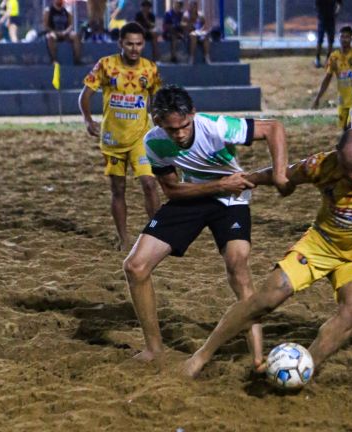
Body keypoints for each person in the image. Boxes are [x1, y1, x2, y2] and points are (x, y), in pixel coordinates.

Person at [181, 127, 352, 379]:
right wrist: (249, 179)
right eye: (346, 167)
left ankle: (305, 367)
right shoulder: (321, 164)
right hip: (319, 245)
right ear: (338, 153)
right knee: (266, 300)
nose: (351, 176)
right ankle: (201, 356)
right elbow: (283, 174)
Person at [123, 85, 289, 365]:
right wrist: (219, 184)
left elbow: (273, 128)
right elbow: (173, 191)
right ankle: (154, 350)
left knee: (238, 264)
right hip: (194, 195)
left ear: (194, 115)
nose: (179, 134)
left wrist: (281, 176)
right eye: (171, 129)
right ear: (158, 122)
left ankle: (258, 358)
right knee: (135, 266)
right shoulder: (153, 143)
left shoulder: (216, 126)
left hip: (231, 199)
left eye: (184, 126)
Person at [78, 22, 162, 251]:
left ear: (144, 44)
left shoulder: (150, 69)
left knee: (149, 184)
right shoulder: (105, 65)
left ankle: (156, 235)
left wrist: (160, 125)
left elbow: (156, 101)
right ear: (120, 44)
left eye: (139, 44)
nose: (135, 49)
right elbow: (84, 95)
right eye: (129, 44)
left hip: (140, 138)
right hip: (113, 140)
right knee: (118, 189)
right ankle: (123, 238)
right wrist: (87, 120)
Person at [311, 26, 352, 130]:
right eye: (342, 37)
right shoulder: (334, 57)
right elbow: (327, 78)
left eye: (347, 37)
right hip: (342, 100)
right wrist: (317, 98)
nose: (344, 39)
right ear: (339, 38)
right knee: (345, 129)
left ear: (351, 39)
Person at [43, 0, 82, 64]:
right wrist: (55, 32)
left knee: (76, 36)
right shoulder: (48, 11)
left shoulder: (67, 11)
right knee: (50, 37)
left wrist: (65, 32)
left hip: (65, 34)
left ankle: (77, 59)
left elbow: (70, 25)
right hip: (54, 33)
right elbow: (45, 26)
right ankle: (54, 60)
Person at [314, 0, 342, 68]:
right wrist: (320, 13)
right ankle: (317, 58)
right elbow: (317, 5)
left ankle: (328, 58)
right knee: (320, 40)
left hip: (331, 19)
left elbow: (339, 3)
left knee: (331, 40)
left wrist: (336, 12)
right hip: (322, 19)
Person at [184, 0, 212, 65]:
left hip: (199, 33)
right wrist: (190, 25)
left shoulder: (200, 15)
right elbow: (183, 25)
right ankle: (191, 57)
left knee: (206, 35)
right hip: (190, 34)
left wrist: (202, 30)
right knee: (193, 35)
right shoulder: (186, 15)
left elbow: (204, 25)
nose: (193, 7)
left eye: (195, 5)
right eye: (192, 5)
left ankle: (207, 56)